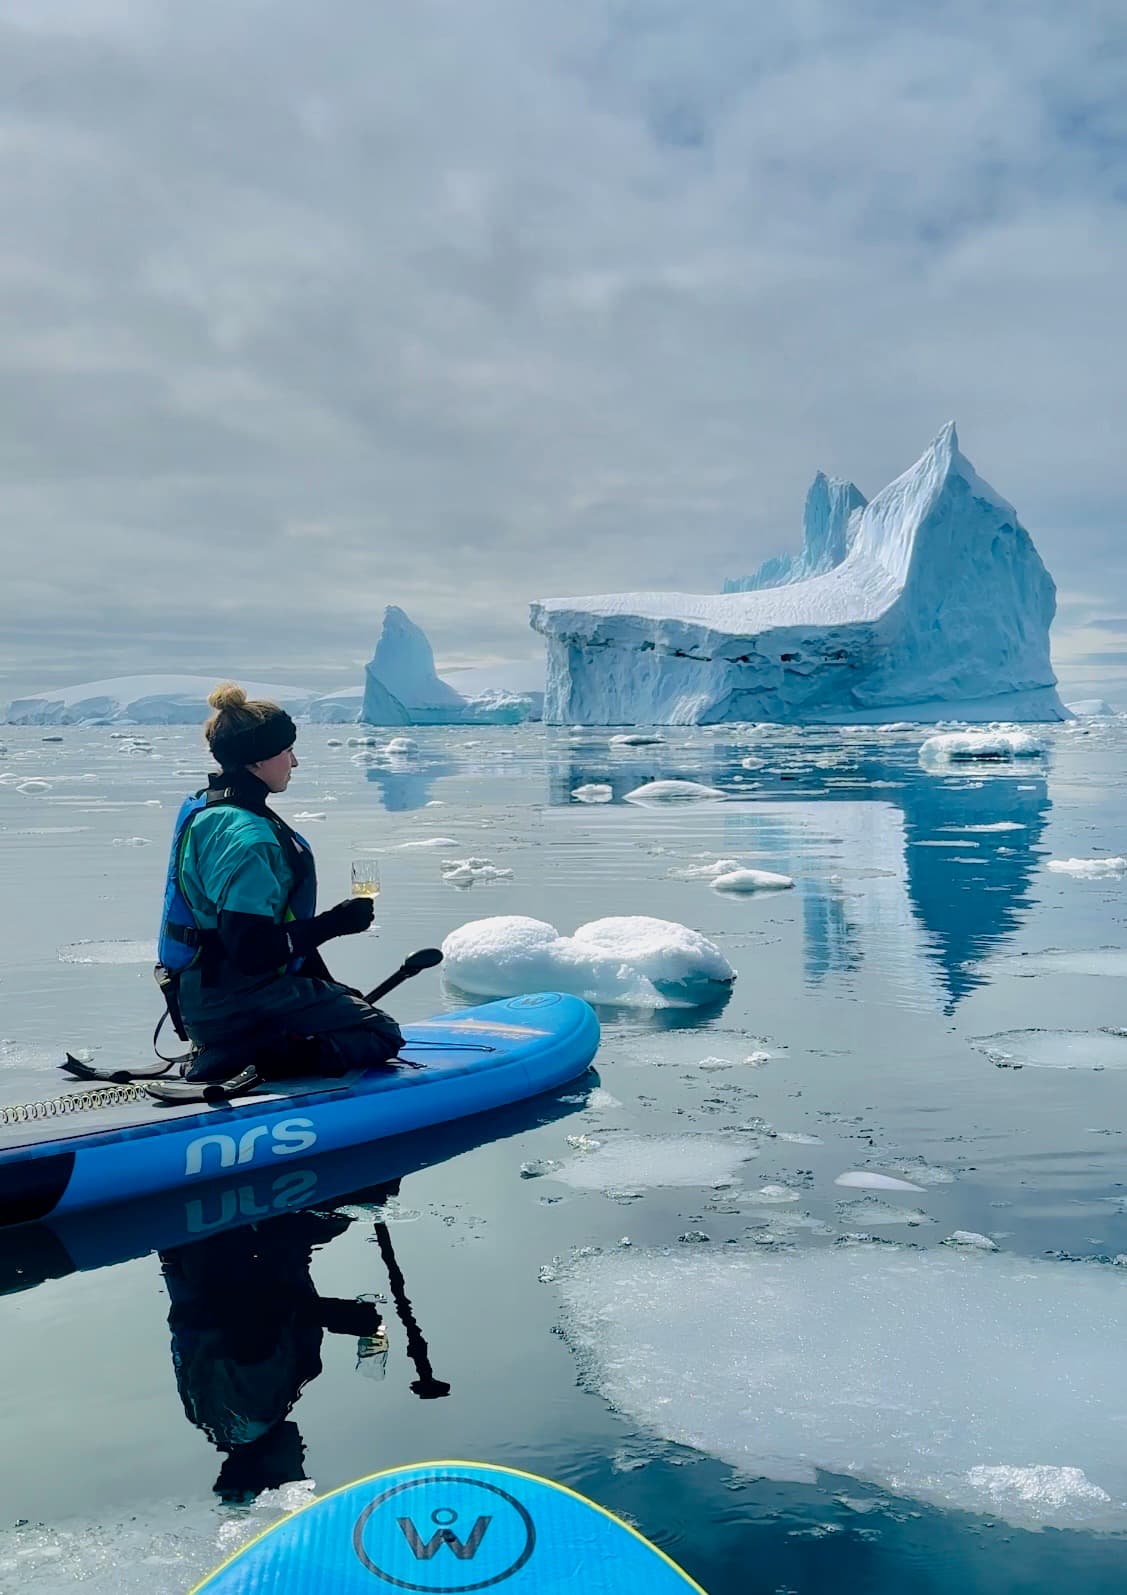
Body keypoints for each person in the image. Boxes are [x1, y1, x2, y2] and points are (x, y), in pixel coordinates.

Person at [157, 682, 403, 1082]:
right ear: (257, 761)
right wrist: (335, 923)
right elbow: (250, 951)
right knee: (380, 1032)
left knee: (347, 1003)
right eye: (287, 752)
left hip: (200, 995)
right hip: (234, 1001)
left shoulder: (209, 808)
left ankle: (245, 1041)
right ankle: (239, 1055)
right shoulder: (250, 839)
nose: (295, 762)